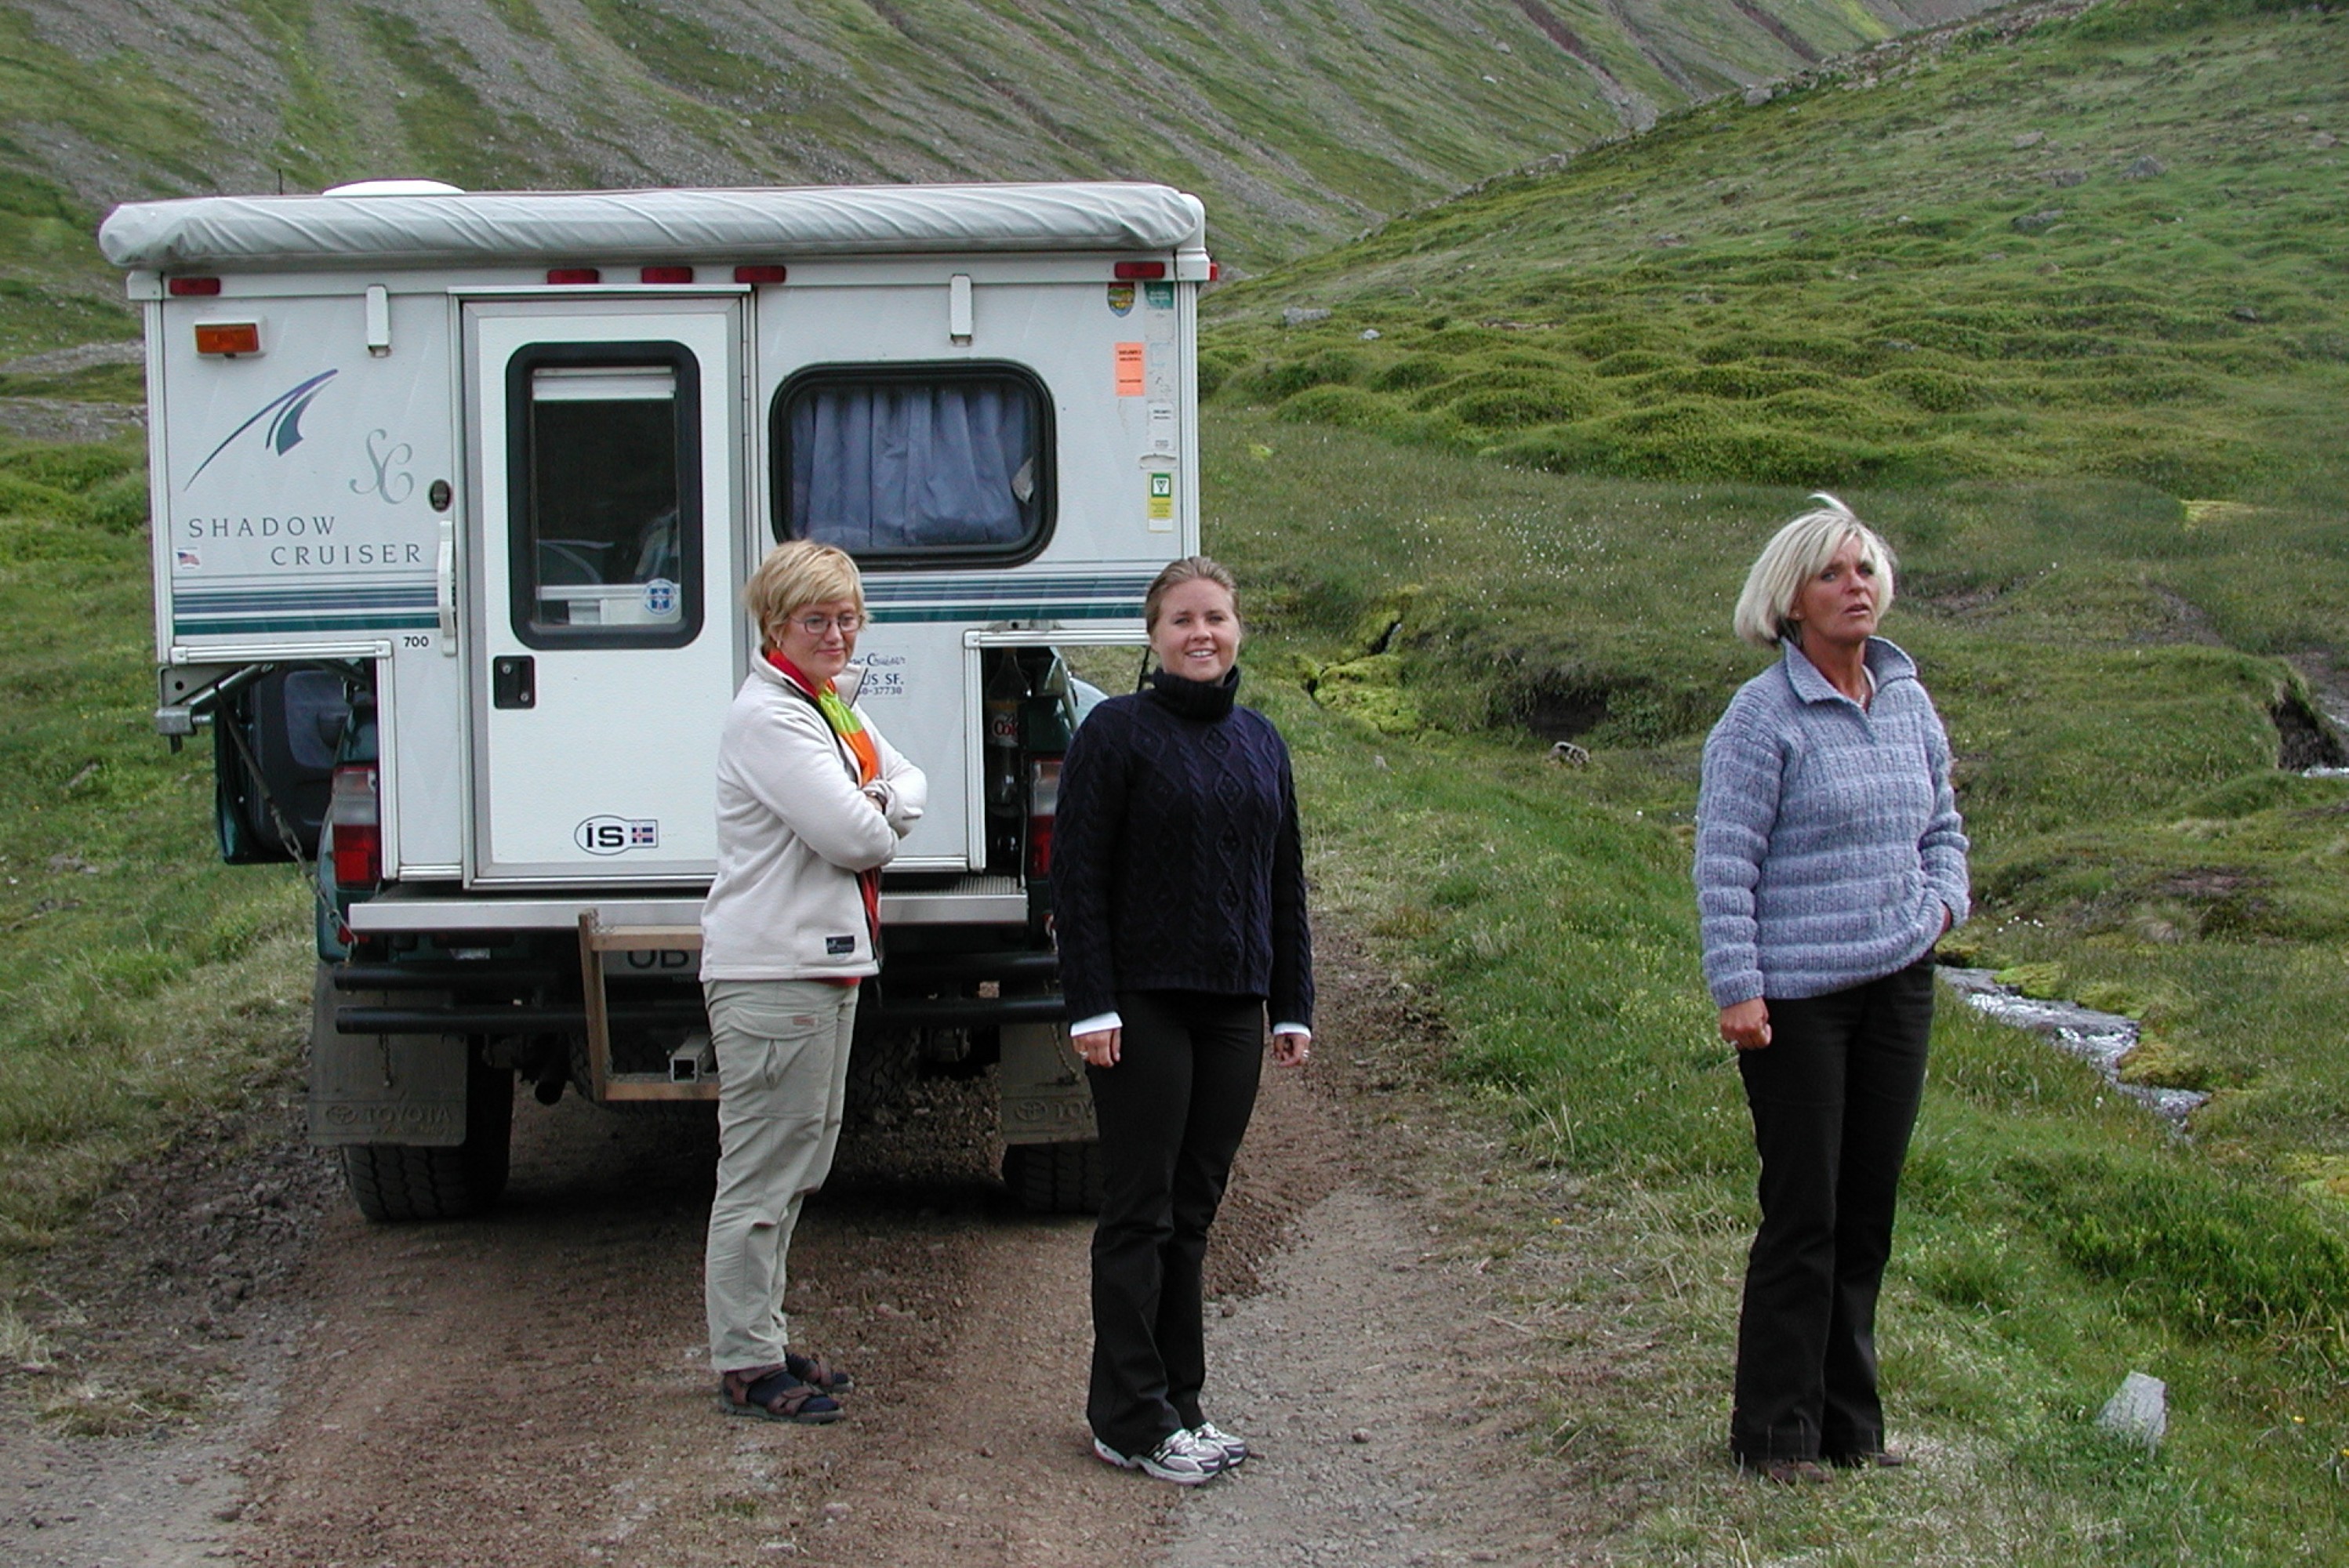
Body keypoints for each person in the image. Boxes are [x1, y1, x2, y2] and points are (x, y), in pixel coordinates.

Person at [1694, 494, 1969, 1484]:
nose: (1855, 587)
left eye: (1863, 570)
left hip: (1898, 985)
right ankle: (1773, 1434)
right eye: (1831, 574)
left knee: (1865, 1210)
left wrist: (1941, 906)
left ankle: (1851, 1428)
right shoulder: (1758, 718)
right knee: (1802, 1212)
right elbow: (1724, 863)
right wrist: (1738, 987)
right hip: (1797, 1003)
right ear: (1789, 599)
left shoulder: (1906, 698)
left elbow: (1941, 823)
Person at [1051, 555, 1314, 1486]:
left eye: (1215, 618)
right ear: (1153, 635)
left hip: (1233, 1005)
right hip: (1142, 1004)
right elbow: (1076, 878)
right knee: (1141, 1207)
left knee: (1193, 1211)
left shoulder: (1262, 740)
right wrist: (1089, 1002)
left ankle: (1180, 1404)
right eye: (1181, 620)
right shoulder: (1114, 733)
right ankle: (1126, 1417)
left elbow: (1282, 880)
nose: (1200, 634)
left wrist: (1292, 1002)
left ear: (1237, 629)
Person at [699, 539, 926, 1422]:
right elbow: (857, 838)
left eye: (846, 618)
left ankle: (760, 1334)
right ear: (775, 624)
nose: (836, 635)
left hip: (820, 966)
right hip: (774, 972)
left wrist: (877, 799)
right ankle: (746, 1361)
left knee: (798, 1162)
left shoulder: (826, 703)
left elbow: (904, 782)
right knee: (761, 1172)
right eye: (815, 620)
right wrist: (878, 806)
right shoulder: (772, 717)